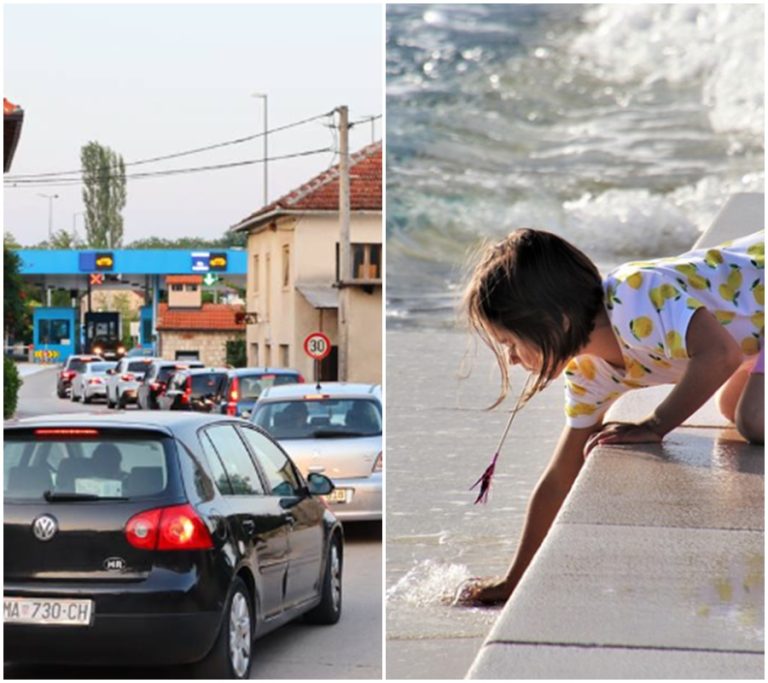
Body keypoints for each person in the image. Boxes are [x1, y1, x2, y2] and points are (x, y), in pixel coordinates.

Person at [458, 228, 764, 605]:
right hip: (753, 327)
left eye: (510, 343)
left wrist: (655, 424)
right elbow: (559, 477)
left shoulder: (635, 296)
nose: (512, 358)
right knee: (731, 409)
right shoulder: (588, 372)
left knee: (753, 419)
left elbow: (721, 356)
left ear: (556, 321)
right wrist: (513, 581)